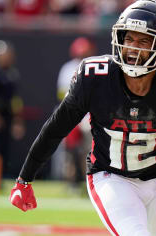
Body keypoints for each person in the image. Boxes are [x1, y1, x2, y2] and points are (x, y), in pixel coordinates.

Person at [9, 1, 156, 236]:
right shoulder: (95, 77)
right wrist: (24, 179)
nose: (133, 48)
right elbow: (55, 128)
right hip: (111, 177)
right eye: (129, 38)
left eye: (145, 40)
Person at [56, 37, 96, 193]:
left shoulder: (95, 67)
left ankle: (89, 181)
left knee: (89, 151)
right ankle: (71, 182)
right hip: (72, 114)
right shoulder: (68, 69)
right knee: (70, 152)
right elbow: (61, 94)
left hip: (88, 116)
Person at [0, 40, 25, 194]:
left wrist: (17, 120)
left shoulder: (12, 74)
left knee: (3, 148)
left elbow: (15, 100)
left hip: (7, 116)